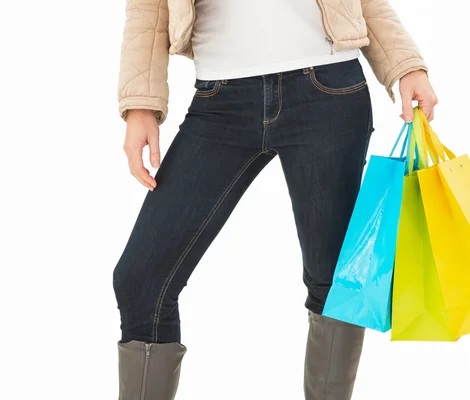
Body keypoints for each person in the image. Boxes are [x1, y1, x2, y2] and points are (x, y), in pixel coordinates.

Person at [114, 0, 437, 399]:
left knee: (331, 283)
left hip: (327, 87)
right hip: (220, 101)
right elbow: (148, 7)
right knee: (141, 281)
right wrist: (140, 104)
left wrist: (405, 65)